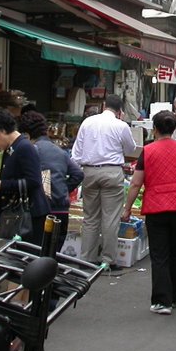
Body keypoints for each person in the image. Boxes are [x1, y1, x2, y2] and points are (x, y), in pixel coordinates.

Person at [122, 110, 176, 315]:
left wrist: (127, 208)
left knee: (159, 255)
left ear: (155, 129)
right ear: (174, 128)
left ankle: (161, 301)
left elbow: (136, 183)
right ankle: (175, 296)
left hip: (157, 206)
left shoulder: (148, 151)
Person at [70, 94, 137, 267]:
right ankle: (108, 260)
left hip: (89, 172)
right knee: (110, 218)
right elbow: (131, 148)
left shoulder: (87, 122)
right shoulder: (121, 125)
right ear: (120, 111)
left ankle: (86, 258)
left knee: (90, 217)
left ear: (104, 106)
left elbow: (76, 153)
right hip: (112, 172)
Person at [0, 109, 50, 244]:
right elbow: (5, 183)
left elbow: (34, 181)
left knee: (25, 258)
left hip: (30, 216)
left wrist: (3, 184)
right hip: (15, 214)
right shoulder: (10, 149)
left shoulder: (25, 147)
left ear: (2, 131)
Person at [19, 110, 84, 252]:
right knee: (53, 254)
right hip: (62, 211)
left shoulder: (32, 150)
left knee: (35, 254)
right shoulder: (60, 151)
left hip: (41, 211)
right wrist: (63, 188)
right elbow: (78, 174)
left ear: (26, 134)